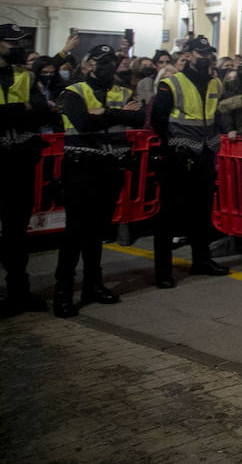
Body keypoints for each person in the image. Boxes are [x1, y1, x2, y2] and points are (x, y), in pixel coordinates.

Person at [54, 44, 144, 316]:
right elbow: (81, 123)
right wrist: (118, 115)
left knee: (98, 232)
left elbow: (138, 117)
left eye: (111, 61)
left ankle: (93, 284)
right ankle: (63, 292)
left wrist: (103, 114)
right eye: (101, 61)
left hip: (109, 168)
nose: (107, 66)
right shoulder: (73, 91)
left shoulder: (123, 92)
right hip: (81, 169)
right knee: (75, 233)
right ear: (88, 64)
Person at [150, 36, 231, 287]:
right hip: (178, 155)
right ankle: (163, 271)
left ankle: (201, 260)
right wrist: (172, 145)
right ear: (187, 55)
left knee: (202, 211)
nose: (204, 57)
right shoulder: (171, 83)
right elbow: (158, 119)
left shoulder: (216, 83)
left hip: (206, 153)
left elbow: (217, 116)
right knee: (169, 215)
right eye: (199, 53)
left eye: (207, 53)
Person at [1, 24, 53, 315]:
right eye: (10, 43)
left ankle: (18, 292)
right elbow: (31, 109)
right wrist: (23, 110)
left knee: (17, 233)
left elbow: (42, 110)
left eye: (21, 42)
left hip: (19, 162)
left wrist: (24, 110)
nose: (17, 47)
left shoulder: (26, 75)